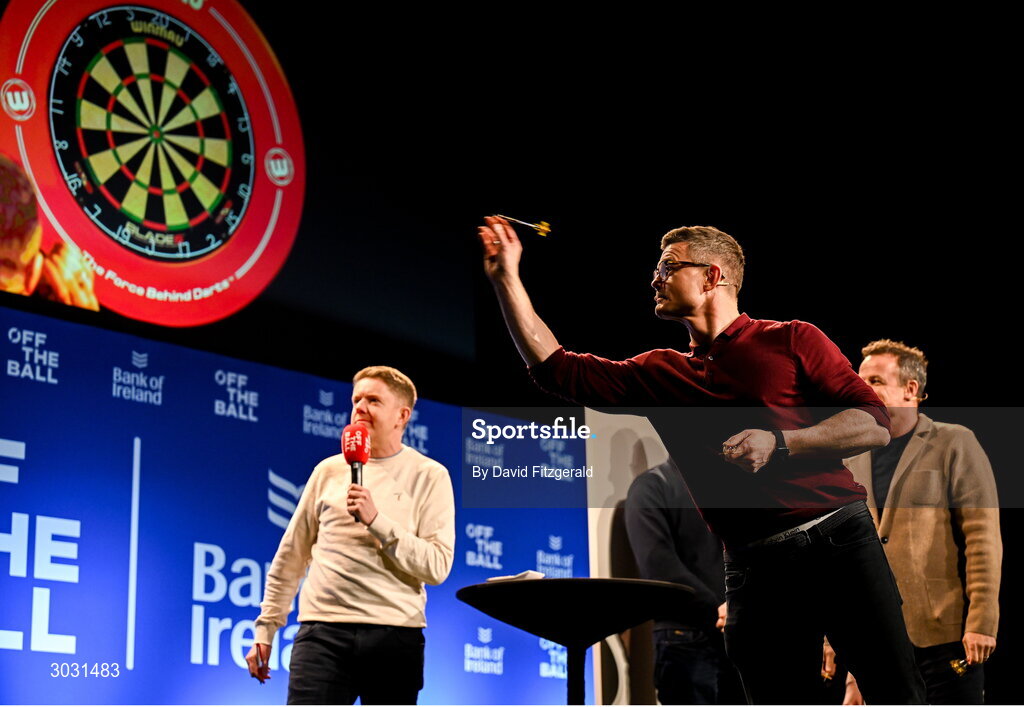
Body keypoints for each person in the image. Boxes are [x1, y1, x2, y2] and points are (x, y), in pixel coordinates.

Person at [477, 216, 925, 704]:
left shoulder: (791, 339)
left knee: (895, 690)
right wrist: (507, 279)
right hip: (755, 567)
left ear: (713, 276)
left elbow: (874, 422)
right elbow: (555, 369)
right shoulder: (659, 373)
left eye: (668, 266)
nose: (654, 278)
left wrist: (780, 442)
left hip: (839, 541)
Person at [245, 366, 456, 705]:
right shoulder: (328, 471)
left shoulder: (430, 476)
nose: (359, 407)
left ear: (402, 415)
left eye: (373, 400)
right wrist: (266, 628)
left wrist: (378, 521)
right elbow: (292, 555)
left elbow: (437, 566)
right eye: (356, 399)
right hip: (322, 634)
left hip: (395, 637)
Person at [843, 340, 1001, 705]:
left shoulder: (954, 442)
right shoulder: (851, 453)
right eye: (860, 379)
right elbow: (841, 555)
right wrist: (839, 649)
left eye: (875, 380)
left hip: (943, 634)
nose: (861, 389)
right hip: (875, 640)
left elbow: (982, 538)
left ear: (910, 389)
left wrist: (981, 621)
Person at [625, 458, 742, 704]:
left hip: (736, 635)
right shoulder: (651, 486)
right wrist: (721, 608)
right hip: (687, 636)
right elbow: (658, 566)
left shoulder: (731, 486)